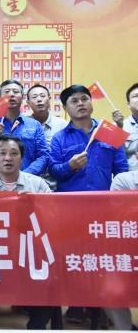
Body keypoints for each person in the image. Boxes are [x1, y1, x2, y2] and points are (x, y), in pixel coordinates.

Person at [49, 85, 128, 323]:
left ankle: (105, 309)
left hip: (104, 209)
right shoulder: (59, 138)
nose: (81, 103)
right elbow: (54, 171)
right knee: (74, 257)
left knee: (104, 260)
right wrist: (70, 166)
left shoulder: (109, 131)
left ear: (91, 103)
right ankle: (76, 304)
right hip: (71, 211)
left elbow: (122, 170)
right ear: (66, 108)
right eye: (74, 101)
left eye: (84, 99)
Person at [0, 135, 53, 329]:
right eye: (2, 153)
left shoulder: (38, 185)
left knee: (50, 284)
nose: (8, 158)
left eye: (14, 153)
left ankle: (35, 327)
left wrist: (36, 204)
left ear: (22, 158)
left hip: (29, 251)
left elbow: (53, 217)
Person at [0, 79, 48, 177]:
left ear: (22, 97)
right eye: (7, 92)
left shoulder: (34, 125)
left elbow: (43, 156)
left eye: (15, 91)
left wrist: (24, 176)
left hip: (27, 181)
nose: (11, 95)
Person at [103, 169, 138, 330]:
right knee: (110, 291)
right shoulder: (124, 180)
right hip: (128, 254)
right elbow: (120, 216)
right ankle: (125, 329)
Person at [26, 84, 68, 189]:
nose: (39, 99)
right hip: (29, 183)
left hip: (57, 184)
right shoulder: (23, 125)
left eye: (42, 96)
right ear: (28, 102)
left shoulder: (62, 125)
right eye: (34, 97)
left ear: (49, 99)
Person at [113, 83, 138, 171]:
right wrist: (119, 128)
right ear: (128, 104)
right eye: (136, 96)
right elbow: (115, 156)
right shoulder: (118, 126)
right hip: (130, 176)